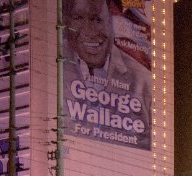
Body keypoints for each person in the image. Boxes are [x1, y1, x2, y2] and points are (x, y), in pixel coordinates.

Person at [62, 0, 152, 150]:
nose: (88, 31)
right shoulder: (53, 62)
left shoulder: (142, 81)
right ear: (66, 22)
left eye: (96, 19)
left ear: (111, 20)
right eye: (78, 18)